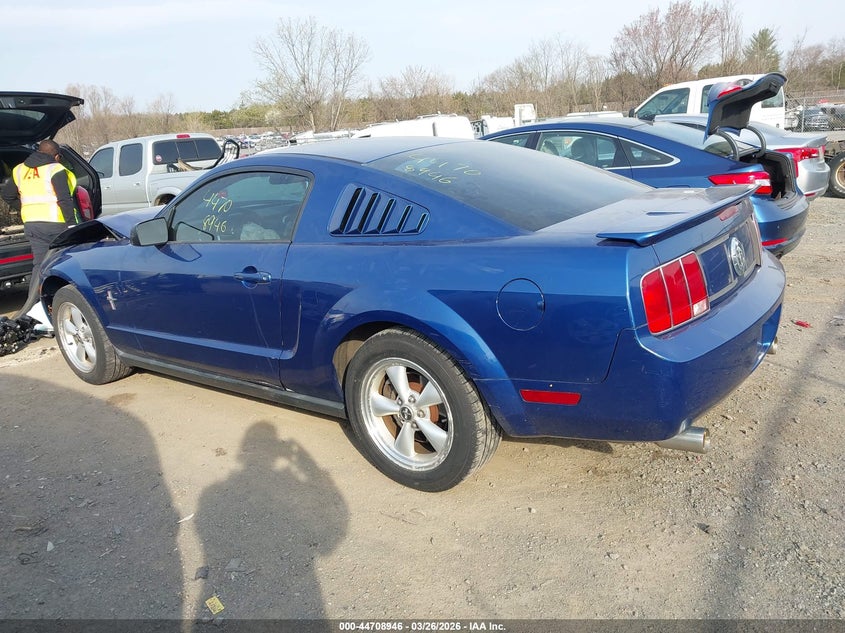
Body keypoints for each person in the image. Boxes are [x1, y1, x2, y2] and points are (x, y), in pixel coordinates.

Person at [1, 139, 81, 326]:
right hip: (56, 224)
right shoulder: (55, 169)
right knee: (68, 262)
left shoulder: (20, 169)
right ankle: (67, 305)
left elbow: (7, 195)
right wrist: (72, 225)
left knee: (39, 266)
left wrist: (25, 208)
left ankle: (34, 309)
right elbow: (64, 200)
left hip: (32, 224)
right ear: (56, 155)